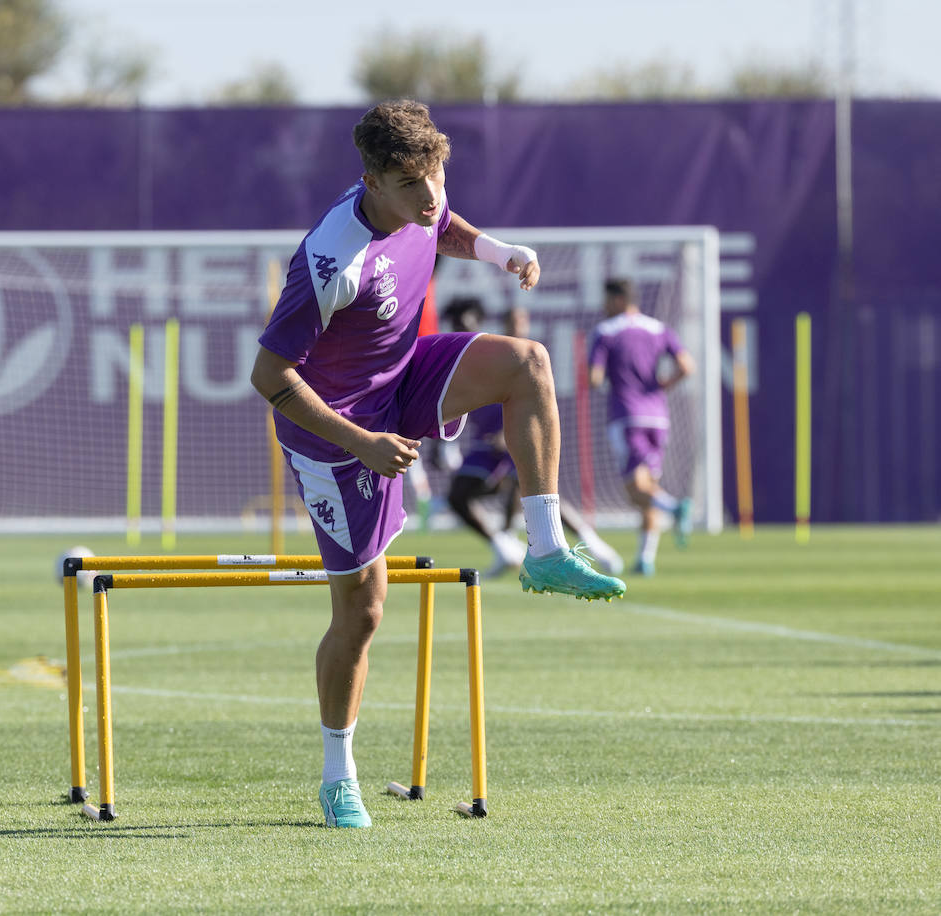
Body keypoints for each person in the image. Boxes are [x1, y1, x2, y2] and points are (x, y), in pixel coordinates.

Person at [250, 100, 625, 829]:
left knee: (528, 363)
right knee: (362, 613)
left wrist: (499, 251)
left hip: (401, 378)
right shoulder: (330, 260)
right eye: (409, 185)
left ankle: (545, 548)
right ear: (370, 182)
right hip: (335, 434)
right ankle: (338, 777)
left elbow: (445, 224)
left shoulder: (425, 192)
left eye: (435, 177)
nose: (428, 197)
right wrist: (360, 442)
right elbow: (268, 376)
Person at [443, 300, 623, 578]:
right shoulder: (464, 353)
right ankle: (505, 546)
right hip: (487, 441)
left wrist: (508, 431)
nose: (461, 328)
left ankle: (597, 549)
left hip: (516, 431)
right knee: (458, 495)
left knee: (539, 492)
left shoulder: (516, 353)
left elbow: (531, 399)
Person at [588, 277, 695, 576]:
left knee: (636, 490)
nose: (603, 306)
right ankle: (646, 559)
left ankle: (674, 508)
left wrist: (595, 379)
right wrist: (662, 385)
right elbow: (687, 366)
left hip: (627, 416)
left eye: (607, 300)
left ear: (619, 300)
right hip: (658, 417)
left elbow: (595, 378)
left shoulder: (605, 332)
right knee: (648, 488)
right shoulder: (658, 328)